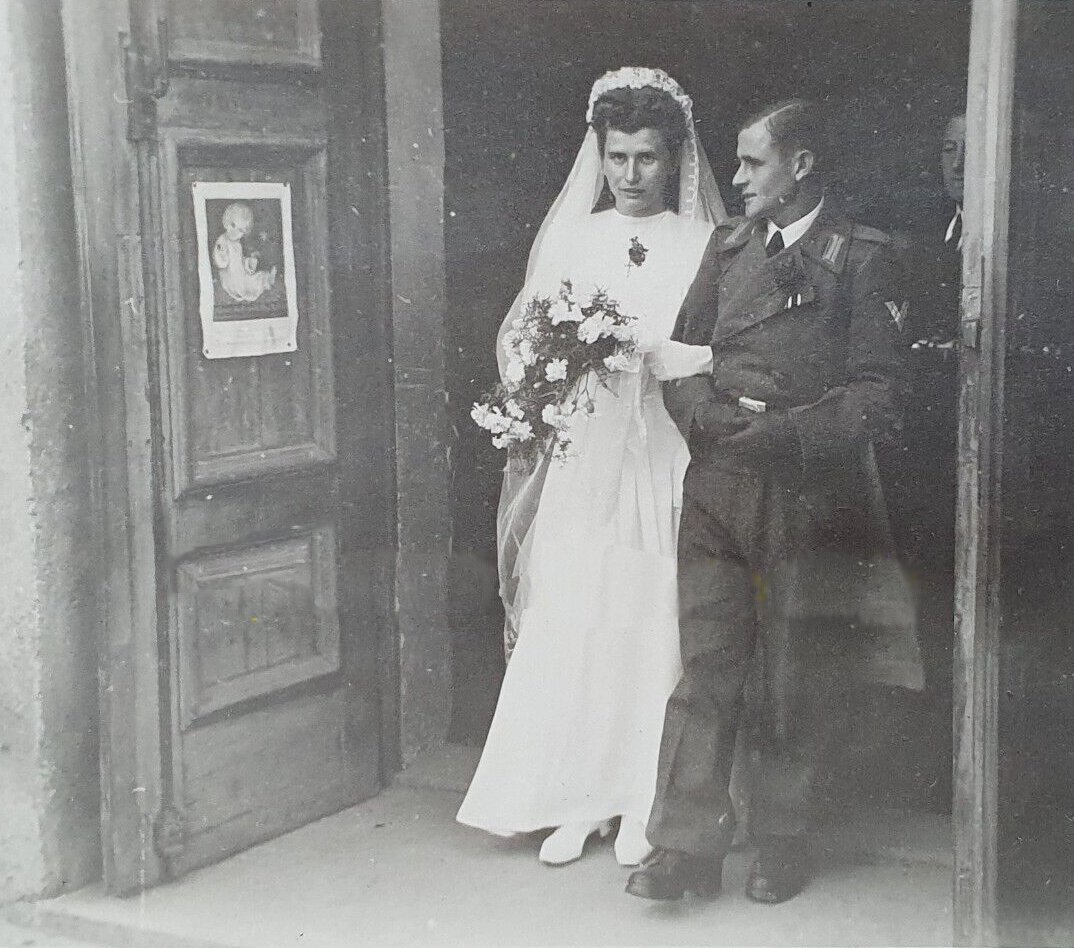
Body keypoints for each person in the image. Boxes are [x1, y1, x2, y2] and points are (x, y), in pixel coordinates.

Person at [626, 99, 923, 903]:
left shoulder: (861, 258)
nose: (738, 178)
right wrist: (715, 425)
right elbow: (679, 359)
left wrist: (787, 435)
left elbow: (878, 393)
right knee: (707, 669)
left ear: (801, 166)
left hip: (802, 495)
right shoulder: (729, 252)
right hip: (718, 487)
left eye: (754, 162)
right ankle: (681, 848)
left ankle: (784, 840)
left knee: (793, 670)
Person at [456, 67, 726, 867]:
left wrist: (656, 356)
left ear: (674, 157)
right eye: (616, 157)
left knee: (655, 605)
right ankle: (574, 797)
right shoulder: (577, 234)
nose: (630, 175)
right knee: (580, 601)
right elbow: (524, 340)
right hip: (590, 446)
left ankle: (646, 796)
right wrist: (564, 368)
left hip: (664, 445)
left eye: (646, 157)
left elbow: (724, 346)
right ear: (598, 156)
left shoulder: (704, 240)